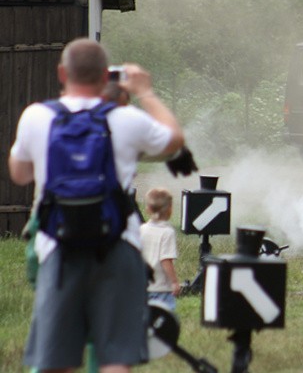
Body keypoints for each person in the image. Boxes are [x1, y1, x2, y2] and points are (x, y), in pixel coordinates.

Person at [8, 37, 185, 373]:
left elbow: (19, 174)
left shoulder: (36, 116)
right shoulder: (127, 119)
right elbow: (174, 139)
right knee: (115, 358)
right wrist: (145, 92)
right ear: (107, 76)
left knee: (54, 360)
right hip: (117, 246)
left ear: (62, 73)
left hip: (56, 247)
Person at [140, 188, 180, 311]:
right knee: (164, 321)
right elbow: (165, 260)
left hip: (143, 286)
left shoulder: (141, 229)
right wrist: (174, 282)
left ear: (147, 209)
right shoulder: (167, 232)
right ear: (170, 210)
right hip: (161, 288)